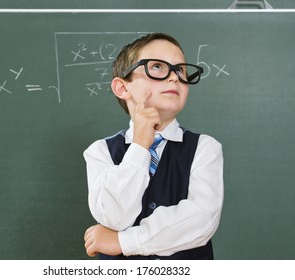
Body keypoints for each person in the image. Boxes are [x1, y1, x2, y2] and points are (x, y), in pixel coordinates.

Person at [83, 32, 224, 260]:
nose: (174, 78)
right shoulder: (100, 152)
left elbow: (200, 219)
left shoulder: (205, 148)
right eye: (157, 67)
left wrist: (123, 241)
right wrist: (139, 145)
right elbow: (114, 217)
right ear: (122, 88)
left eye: (180, 70)